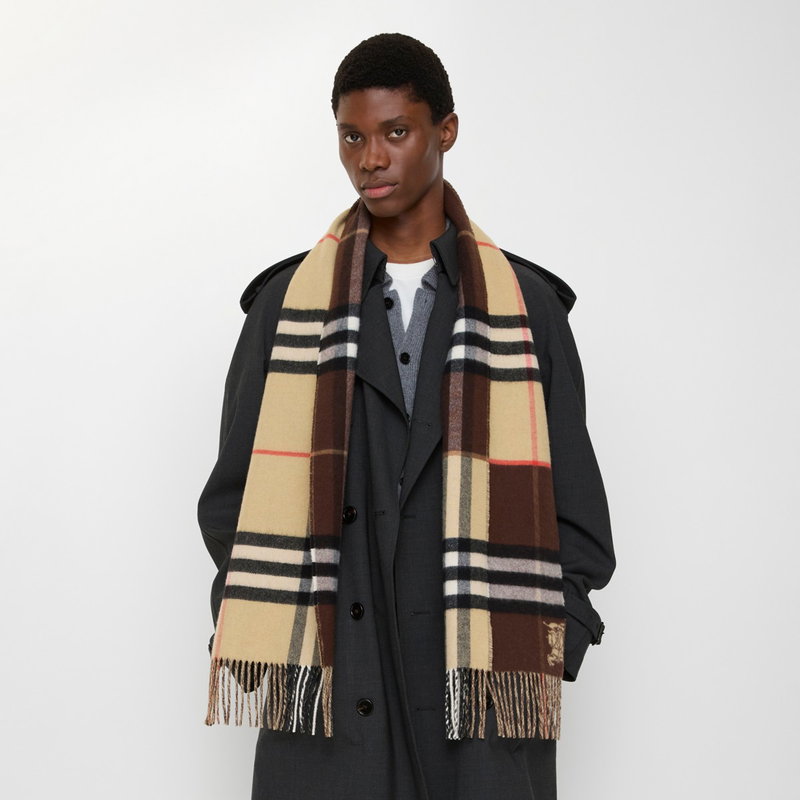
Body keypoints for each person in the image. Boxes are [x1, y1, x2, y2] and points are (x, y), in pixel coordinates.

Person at [199, 32, 615, 800]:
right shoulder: (285, 308)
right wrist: (261, 616)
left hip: (478, 689)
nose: (371, 158)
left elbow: (578, 513)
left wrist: (551, 640)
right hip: (328, 680)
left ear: (445, 131)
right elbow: (233, 497)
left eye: (396, 131)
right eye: (352, 137)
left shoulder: (528, 309)